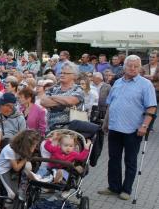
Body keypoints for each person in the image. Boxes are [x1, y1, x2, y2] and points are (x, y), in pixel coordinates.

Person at [98, 55, 157, 200]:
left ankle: (127, 190)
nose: (132, 68)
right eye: (130, 65)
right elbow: (111, 104)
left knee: (130, 160)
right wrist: (106, 123)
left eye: (136, 66)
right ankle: (114, 187)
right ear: (124, 67)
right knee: (113, 159)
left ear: (140, 68)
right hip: (115, 128)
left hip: (133, 129)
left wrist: (145, 125)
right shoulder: (117, 82)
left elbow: (151, 107)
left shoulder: (145, 84)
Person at [0, 130, 42, 209]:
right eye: (33, 145)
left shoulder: (21, 148)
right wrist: (26, 158)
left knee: (28, 166)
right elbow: (16, 168)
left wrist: (26, 159)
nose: (34, 148)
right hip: (3, 170)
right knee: (11, 194)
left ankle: (23, 187)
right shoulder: (10, 150)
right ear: (26, 144)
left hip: (11, 168)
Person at [40, 63, 84, 130]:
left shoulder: (78, 89)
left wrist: (52, 97)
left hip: (70, 131)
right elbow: (43, 102)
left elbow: (71, 101)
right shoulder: (53, 88)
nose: (62, 75)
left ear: (74, 76)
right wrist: (64, 101)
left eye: (66, 73)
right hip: (51, 129)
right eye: (61, 73)